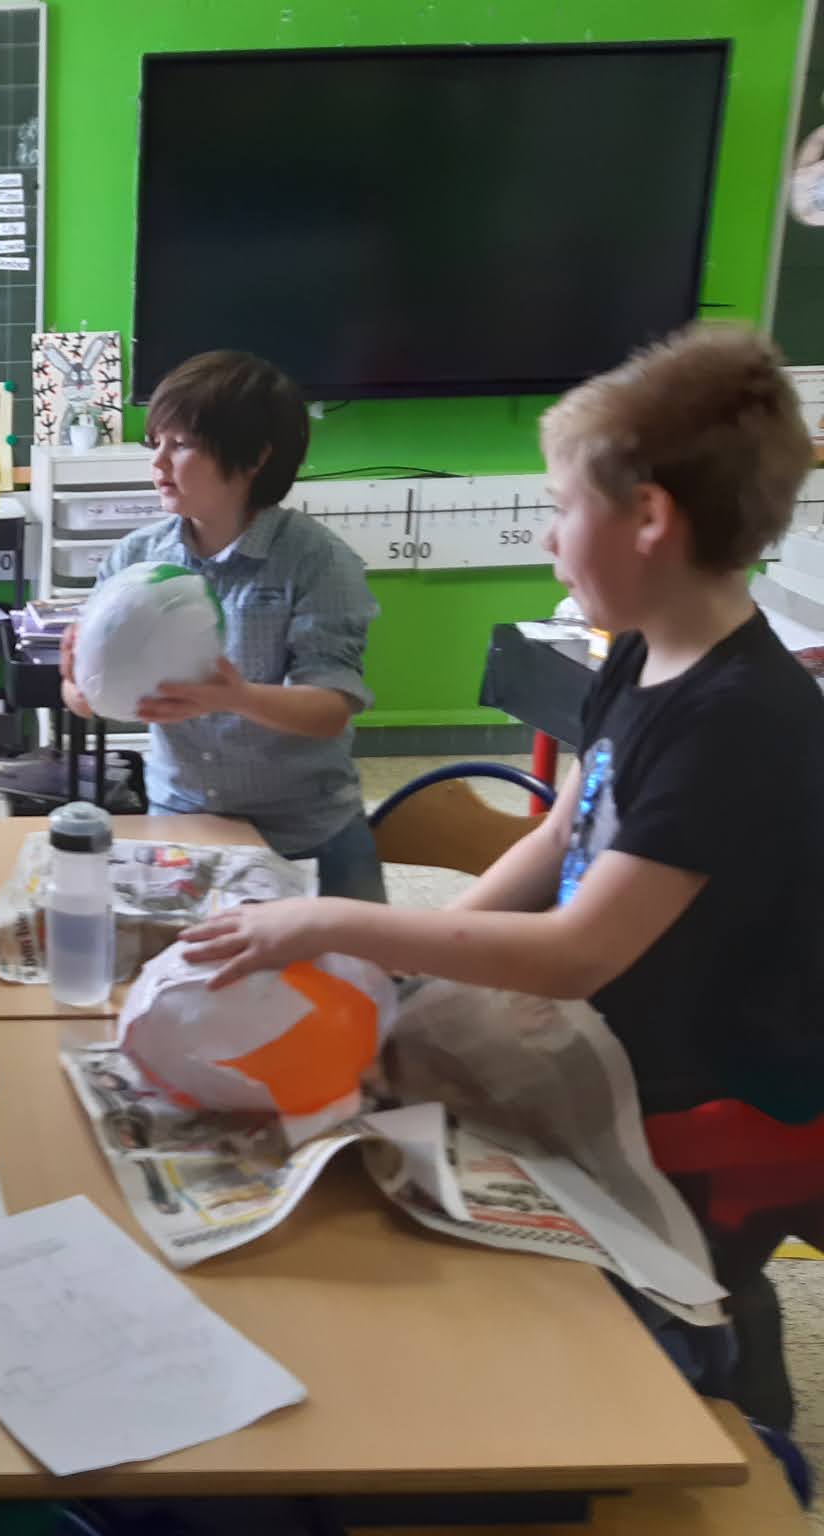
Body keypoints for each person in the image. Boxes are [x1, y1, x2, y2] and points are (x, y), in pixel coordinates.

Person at [179, 324, 824, 1424]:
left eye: (559, 507)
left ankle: (721, 1363)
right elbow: (560, 832)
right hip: (617, 1029)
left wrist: (332, 924)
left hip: (710, 1091)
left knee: (576, 1306)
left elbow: (575, 955)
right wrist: (412, 978)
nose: (544, 533)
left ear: (648, 520)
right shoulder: (642, 646)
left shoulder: (737, 721)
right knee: (369, 1057)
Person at [61, 350, 385, 900]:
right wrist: (80, 682)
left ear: (255, 457)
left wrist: (237, 697)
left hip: (304, 835)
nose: (158, 463)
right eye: (155, 443)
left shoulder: (318, 562)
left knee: (341, 959)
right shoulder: (135, 558)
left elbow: (331, 708)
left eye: (180, 444)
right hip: (184, 824)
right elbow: (84, 700)